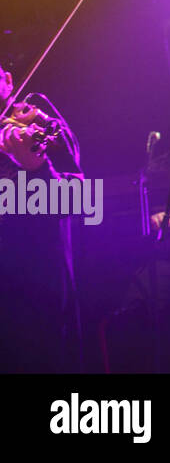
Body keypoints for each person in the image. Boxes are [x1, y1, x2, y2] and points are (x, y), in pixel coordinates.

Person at [0, 63, 84, 371]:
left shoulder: (40, 125)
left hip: (35, 287)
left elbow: (74, 199)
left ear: (8, 81)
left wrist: (34, 167)